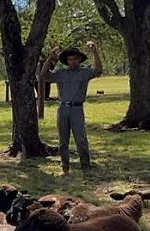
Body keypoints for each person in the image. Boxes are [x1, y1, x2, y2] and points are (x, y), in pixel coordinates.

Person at [40, 42, 103, 176]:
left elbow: (98, 70)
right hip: (63, 108)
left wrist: (95, 52)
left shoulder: (84, 72)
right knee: (63, 141)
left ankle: (86, 168)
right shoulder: (61, 73)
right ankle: (65, 168)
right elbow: (43, 76)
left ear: (79, 59)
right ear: (67, 61)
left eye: (75, 59)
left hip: (77, 109)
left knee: (80, 139)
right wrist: (50, 58)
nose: (72, 62)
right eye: (70, 59)